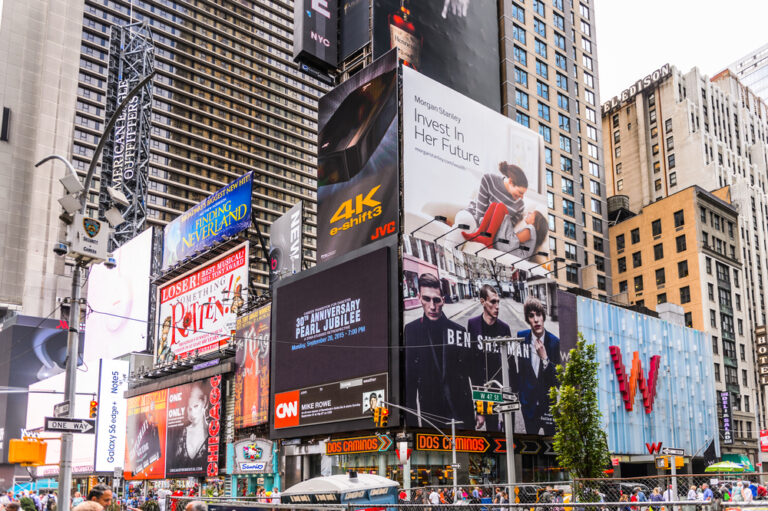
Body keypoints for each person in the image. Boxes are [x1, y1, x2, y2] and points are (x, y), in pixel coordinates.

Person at [405, 273, 473, 427]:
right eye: (426, 299)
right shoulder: (411, 330)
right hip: (432, 416)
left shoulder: (460, 331)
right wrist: (412, 427)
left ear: (443, 300)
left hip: (461, 413)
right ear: (418, 297)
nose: (432, 306)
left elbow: (470, 374)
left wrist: (478, 413)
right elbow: (409, 384)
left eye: (436, 300)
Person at [466, 285, 510, 431]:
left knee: (495, 432)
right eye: (493, 302)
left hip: (498, 388)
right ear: (482, 302)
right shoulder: (473, 325)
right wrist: (479, 410)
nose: (497, 306)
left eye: (498, 302)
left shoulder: (504, 328)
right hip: (481, 387)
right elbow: (471, 366)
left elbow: (508, 366)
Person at [515, 297, 561, 435]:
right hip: (529, 407)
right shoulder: (521, 338)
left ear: (543, 317)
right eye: (531, 316)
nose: (536, 320)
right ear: (527, 319)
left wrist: (545, 358)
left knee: (551, 448)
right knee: (531, 447)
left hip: (548, 410)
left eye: (538, 315)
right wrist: (522, 398)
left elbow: (557, 380)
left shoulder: (554, 342)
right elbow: (521, 371)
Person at [456, 161, 529, 246]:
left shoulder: (520, 205)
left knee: (498, 207)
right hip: (473, 215)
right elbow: (479, 212)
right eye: (520, 192)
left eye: (523, 194)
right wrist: (481, 230)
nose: (522, 197)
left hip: (493, 231)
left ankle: (484, 237)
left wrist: (493, 233)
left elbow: (508, 227)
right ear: (510, 182)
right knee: (465, 223)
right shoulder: (489, 179)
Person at [170, 382, 209, 471]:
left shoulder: (214, 431)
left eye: (196, 406)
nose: (192, 413)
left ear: (205, 402)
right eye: (189, 408)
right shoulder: (180, 434)